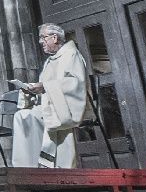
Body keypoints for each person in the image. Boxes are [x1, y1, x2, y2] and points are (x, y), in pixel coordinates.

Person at [9, 23, 89, 169]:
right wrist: (31, 92)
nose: (41, 42)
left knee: (27, 117)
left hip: (65, 109)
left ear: (55, 38)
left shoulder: (71, 55)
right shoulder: (49, 61)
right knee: (21, 116)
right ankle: (25, 167)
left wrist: (45, 87)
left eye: (43, 38)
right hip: (50, 106)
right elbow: (45, 89)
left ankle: (39, 165)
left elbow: (76, 84)